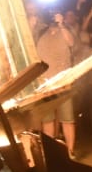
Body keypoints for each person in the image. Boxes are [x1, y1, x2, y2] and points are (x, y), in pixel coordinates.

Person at [34, 11, 80, 156]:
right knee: (48, 120)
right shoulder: (41, 33)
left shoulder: (65, 30)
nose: (53, 17)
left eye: (56, 15)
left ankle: (70, 151)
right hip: (45, 84)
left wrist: (61, 24)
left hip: (63, 83)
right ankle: (51, 153)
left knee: (67, 119)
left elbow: (71, 42)